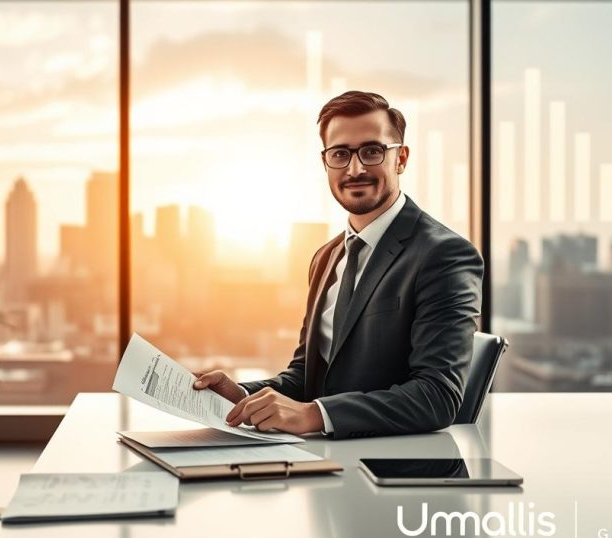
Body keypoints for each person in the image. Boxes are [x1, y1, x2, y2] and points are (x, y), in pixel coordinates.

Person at [192, 91, 483, 439]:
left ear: (401, 158)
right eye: (340, 154)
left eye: (372, 151)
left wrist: (315, 415)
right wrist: (242, 396)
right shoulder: (327, 257)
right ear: (326, 162)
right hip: (323, 462)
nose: (355, 168)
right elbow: (307, 376)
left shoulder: (445, 255)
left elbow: (438, 397)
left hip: (392, 470)